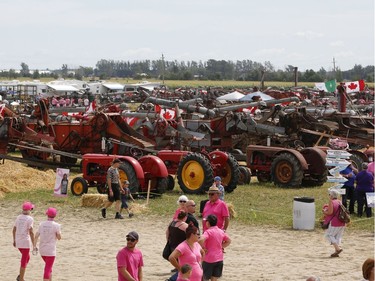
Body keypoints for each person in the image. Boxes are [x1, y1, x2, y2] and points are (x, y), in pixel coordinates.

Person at [199, 214, 231, 281]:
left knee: (204, 278)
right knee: (214, 278)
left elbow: (201, 240)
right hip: (219, 258)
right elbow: (228, 240)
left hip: (208, 259)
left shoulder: (208, 232)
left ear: (208, 223)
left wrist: (202, 248)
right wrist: (221, 246)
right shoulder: (220, 231)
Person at [33, 207, 62, 281]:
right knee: (48, 268)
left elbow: (36, 236)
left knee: (49, 268)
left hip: (42, 249)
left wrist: (34, 246)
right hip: (51, 250)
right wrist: (57, 233)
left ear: (47, 214)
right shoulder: (56, 225)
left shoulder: (41, 224)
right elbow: (59, 238)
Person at [13, 201, 35, 281]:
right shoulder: (30, 219)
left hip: (18, 241)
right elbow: (31, 232)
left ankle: (20, 275)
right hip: (25, 242)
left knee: (27, 257)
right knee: (24, 260)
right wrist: (34, 244)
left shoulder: (18, 217)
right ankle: (21, 279)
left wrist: (14, 240)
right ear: (29, 210)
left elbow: (14, 229)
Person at [166, 211, 189, 281]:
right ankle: (172, 279)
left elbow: (167, 233)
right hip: (181, 248)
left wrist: (168, 242)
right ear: (185, 218)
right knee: (183, 267)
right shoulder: (184, 225)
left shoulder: (172, 223)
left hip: (172, 246)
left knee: (179, 264)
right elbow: (190, 236)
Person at [323, 189, 346, 258]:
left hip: (335, 222)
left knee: (329, 235)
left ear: (332, 195)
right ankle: (336, 251)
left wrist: (324, 212)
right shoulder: (339, 201)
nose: (329, 196)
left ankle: (338, 248)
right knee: (338, 236)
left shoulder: (331, 202)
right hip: (342, 221)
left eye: (329, 194)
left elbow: (330, 212)